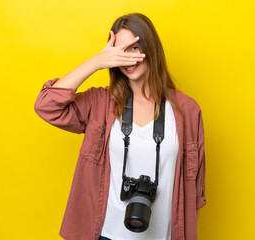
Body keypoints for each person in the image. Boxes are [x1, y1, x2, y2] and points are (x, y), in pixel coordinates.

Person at [34, 12, 206, 240]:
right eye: (119, 51)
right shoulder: (101, 103)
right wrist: (96, 62)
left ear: (150, 48)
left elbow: (195, 191)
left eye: (133, 48)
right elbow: (46, 106)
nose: (127, 59)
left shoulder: (188, 111)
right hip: (106, 234)